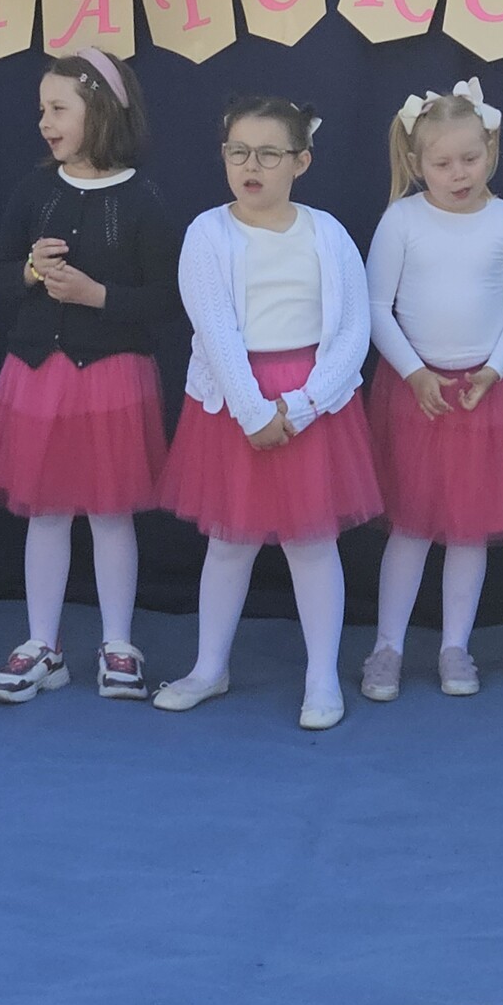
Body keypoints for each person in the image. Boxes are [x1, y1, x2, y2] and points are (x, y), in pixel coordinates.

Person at [153, 94, 382, 731]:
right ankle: (209, 667)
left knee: (313, 544)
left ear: (301, 161)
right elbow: (215, 329)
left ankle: (322, 677)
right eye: (238, 152)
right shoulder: (208, 233)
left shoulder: (328, 232)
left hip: (311, 401)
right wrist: (253, 412)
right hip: (236, 403)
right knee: (229, 543)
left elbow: (353, 331)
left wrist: (302, 405)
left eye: (268, 154)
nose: (251, 166)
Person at [0, 50, 180, 703]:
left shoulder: (144, 199)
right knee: (46, 513)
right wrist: (31, 272)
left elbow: (168, 301)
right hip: (38, 378)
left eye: (58, 108)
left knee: (112, 514)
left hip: (114, 380)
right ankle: (43, 645)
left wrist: (98, 297)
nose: (45, 121)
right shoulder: (32, 192)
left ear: (102, 113)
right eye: (42, 109)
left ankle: (118, 644)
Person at [362, 78, 503, 701]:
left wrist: (493, 370)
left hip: (484, 395)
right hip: (415, 394)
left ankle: (455, 647)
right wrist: (414, 373)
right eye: (442, 163)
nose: (459, 173)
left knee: (470, 529)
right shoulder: (401, 219)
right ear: (417, 164)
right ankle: (387, 647)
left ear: (490, 150)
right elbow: (375, 308)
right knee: (410, 528)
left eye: (470, 158)